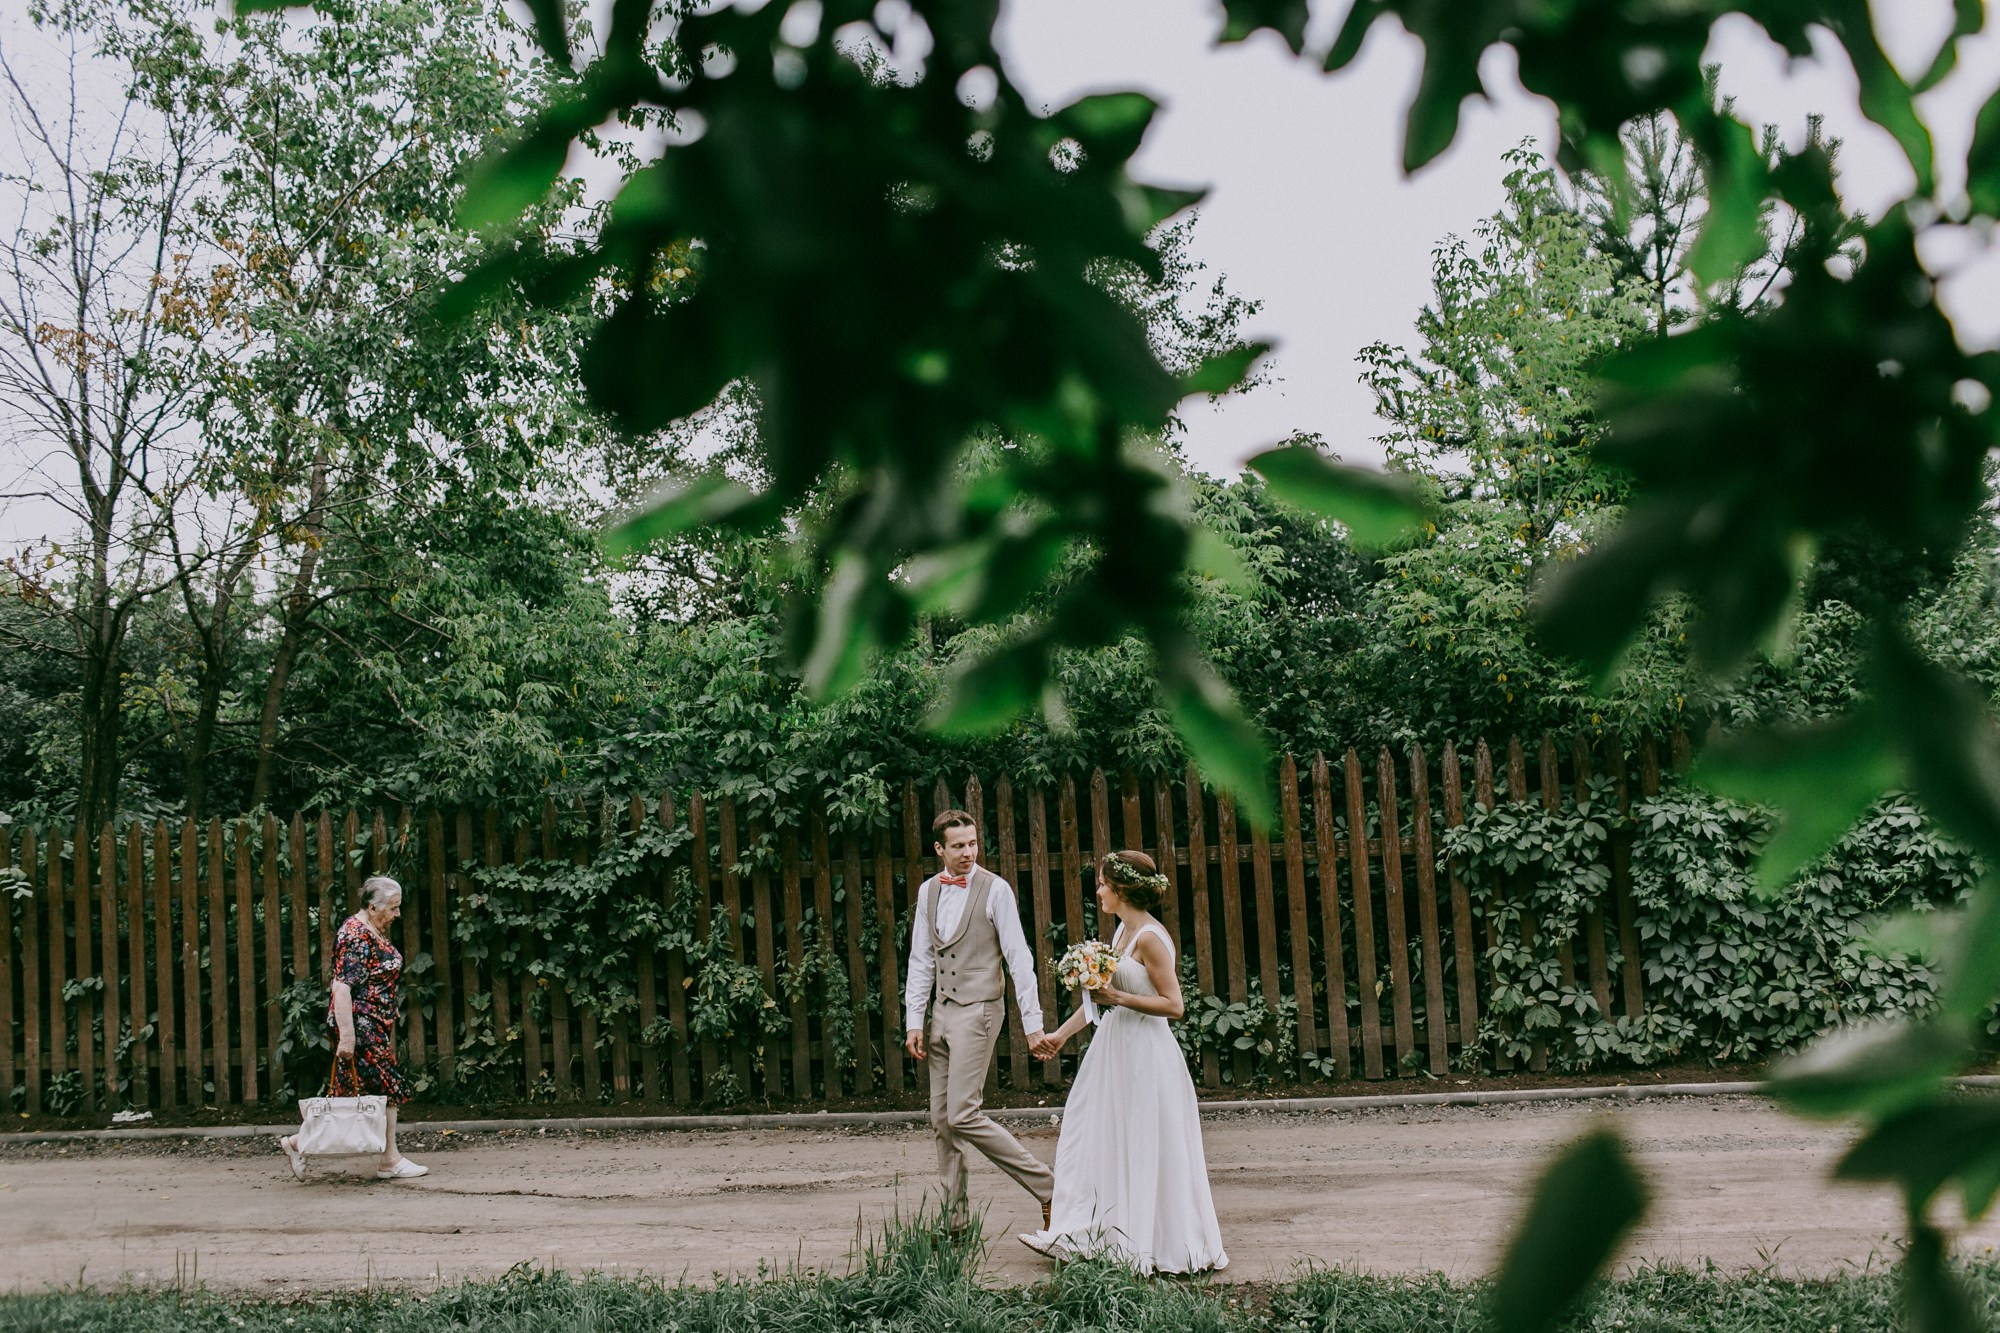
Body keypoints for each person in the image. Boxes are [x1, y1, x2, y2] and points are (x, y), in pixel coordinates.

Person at [1019, 850, 1227, 1274]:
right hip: (1114, 1049)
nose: (1097, 892)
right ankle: (1085, 1232)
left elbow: (1174, 1005)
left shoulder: (1149, 937)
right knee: (1092, 1133)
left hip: (1146, 1055)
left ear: (1120, 889)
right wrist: (1061, 1034)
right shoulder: (1121, 933)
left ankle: (1156, 1246)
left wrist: (1118, 998)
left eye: (1102, 884)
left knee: (1144, 1143)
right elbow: (1102, 999)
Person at [905, 809, 1054, 1234]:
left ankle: (1048, 1187)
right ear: (939, 849)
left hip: (981, 1010)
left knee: (963, 1114)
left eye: (972, 843)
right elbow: (921, 960)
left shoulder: (995, 890)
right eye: (958, 845)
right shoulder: (928, 892)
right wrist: (915, 1019)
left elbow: (1019, 957)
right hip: (942, 1013)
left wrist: (1033, 1023)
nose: (968, 852)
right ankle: (954, 1221)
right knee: (940, 1119)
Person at [279, 875, 427, 1182]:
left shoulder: (370, 929)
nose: (397, 914)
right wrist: (348, 1037)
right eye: (393, 908)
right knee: (387, 1089)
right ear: (373, 908)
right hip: (360, 1026)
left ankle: (297, 1143)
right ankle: (390, 1160)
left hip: (371, 1024)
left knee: (349, 1094)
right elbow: (342, 988)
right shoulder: (355, 936)